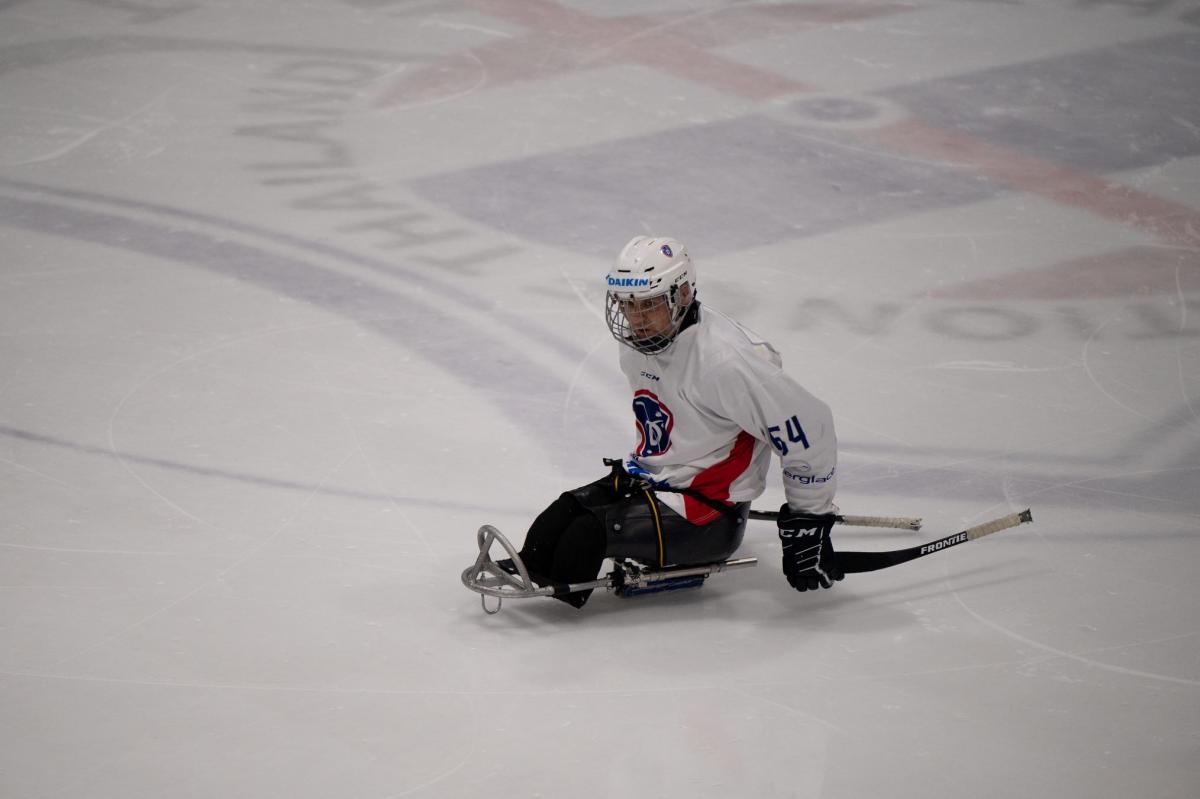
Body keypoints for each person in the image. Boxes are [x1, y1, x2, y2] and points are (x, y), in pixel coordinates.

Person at [513, 235, 843, 608]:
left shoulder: (725, 362)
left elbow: (810, 431)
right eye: (627, 306)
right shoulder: (642, 341)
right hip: (654, 482)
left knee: (585, 535)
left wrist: (809, 522)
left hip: (707, 511)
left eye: (648, 305)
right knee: (560, 518)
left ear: (682, 294)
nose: (634, 319)